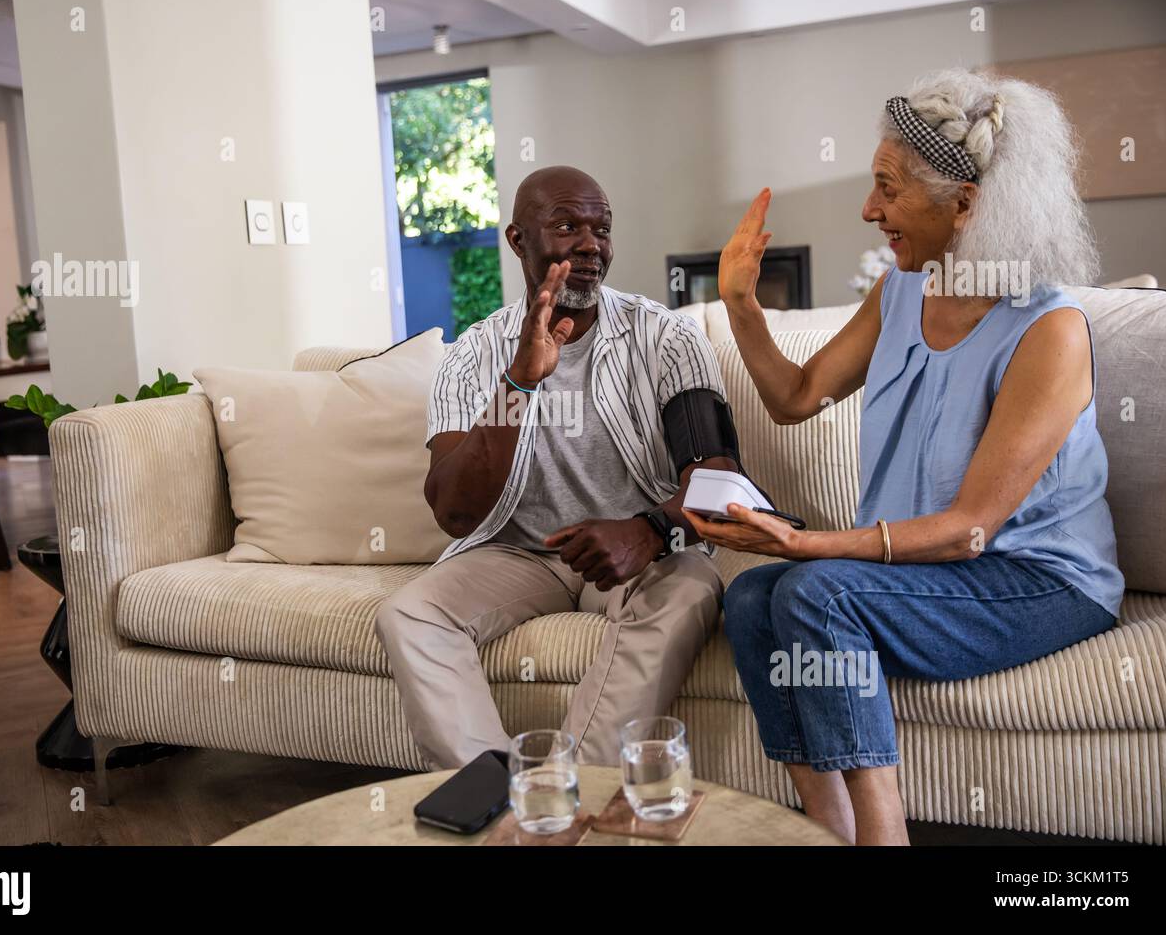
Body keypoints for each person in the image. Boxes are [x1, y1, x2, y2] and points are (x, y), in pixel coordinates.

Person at [686, 69, 1123, 845]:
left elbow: (968, 530)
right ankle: (828, 827)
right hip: (929, 573)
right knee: (752, 600)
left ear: (967, 204)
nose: (869, 209)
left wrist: (808, 544)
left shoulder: (1048, 330)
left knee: (818, 594)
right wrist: (742, 305)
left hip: (1036, 579)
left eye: (888, 189)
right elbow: (797, 398)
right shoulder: (899, 294)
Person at [376, 165, 741, 770]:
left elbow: (718, 478)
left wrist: (649, 530)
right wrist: (518, 382)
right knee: (409, 613)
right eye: (567, 225)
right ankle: (491, 798)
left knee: (692, 589)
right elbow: (454, 512)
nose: (590, 245)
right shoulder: (473, 355)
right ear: (519, 240)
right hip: (518, 553)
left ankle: (566, 796)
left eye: (602, 229)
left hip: (637, 552)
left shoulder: (668, 337)